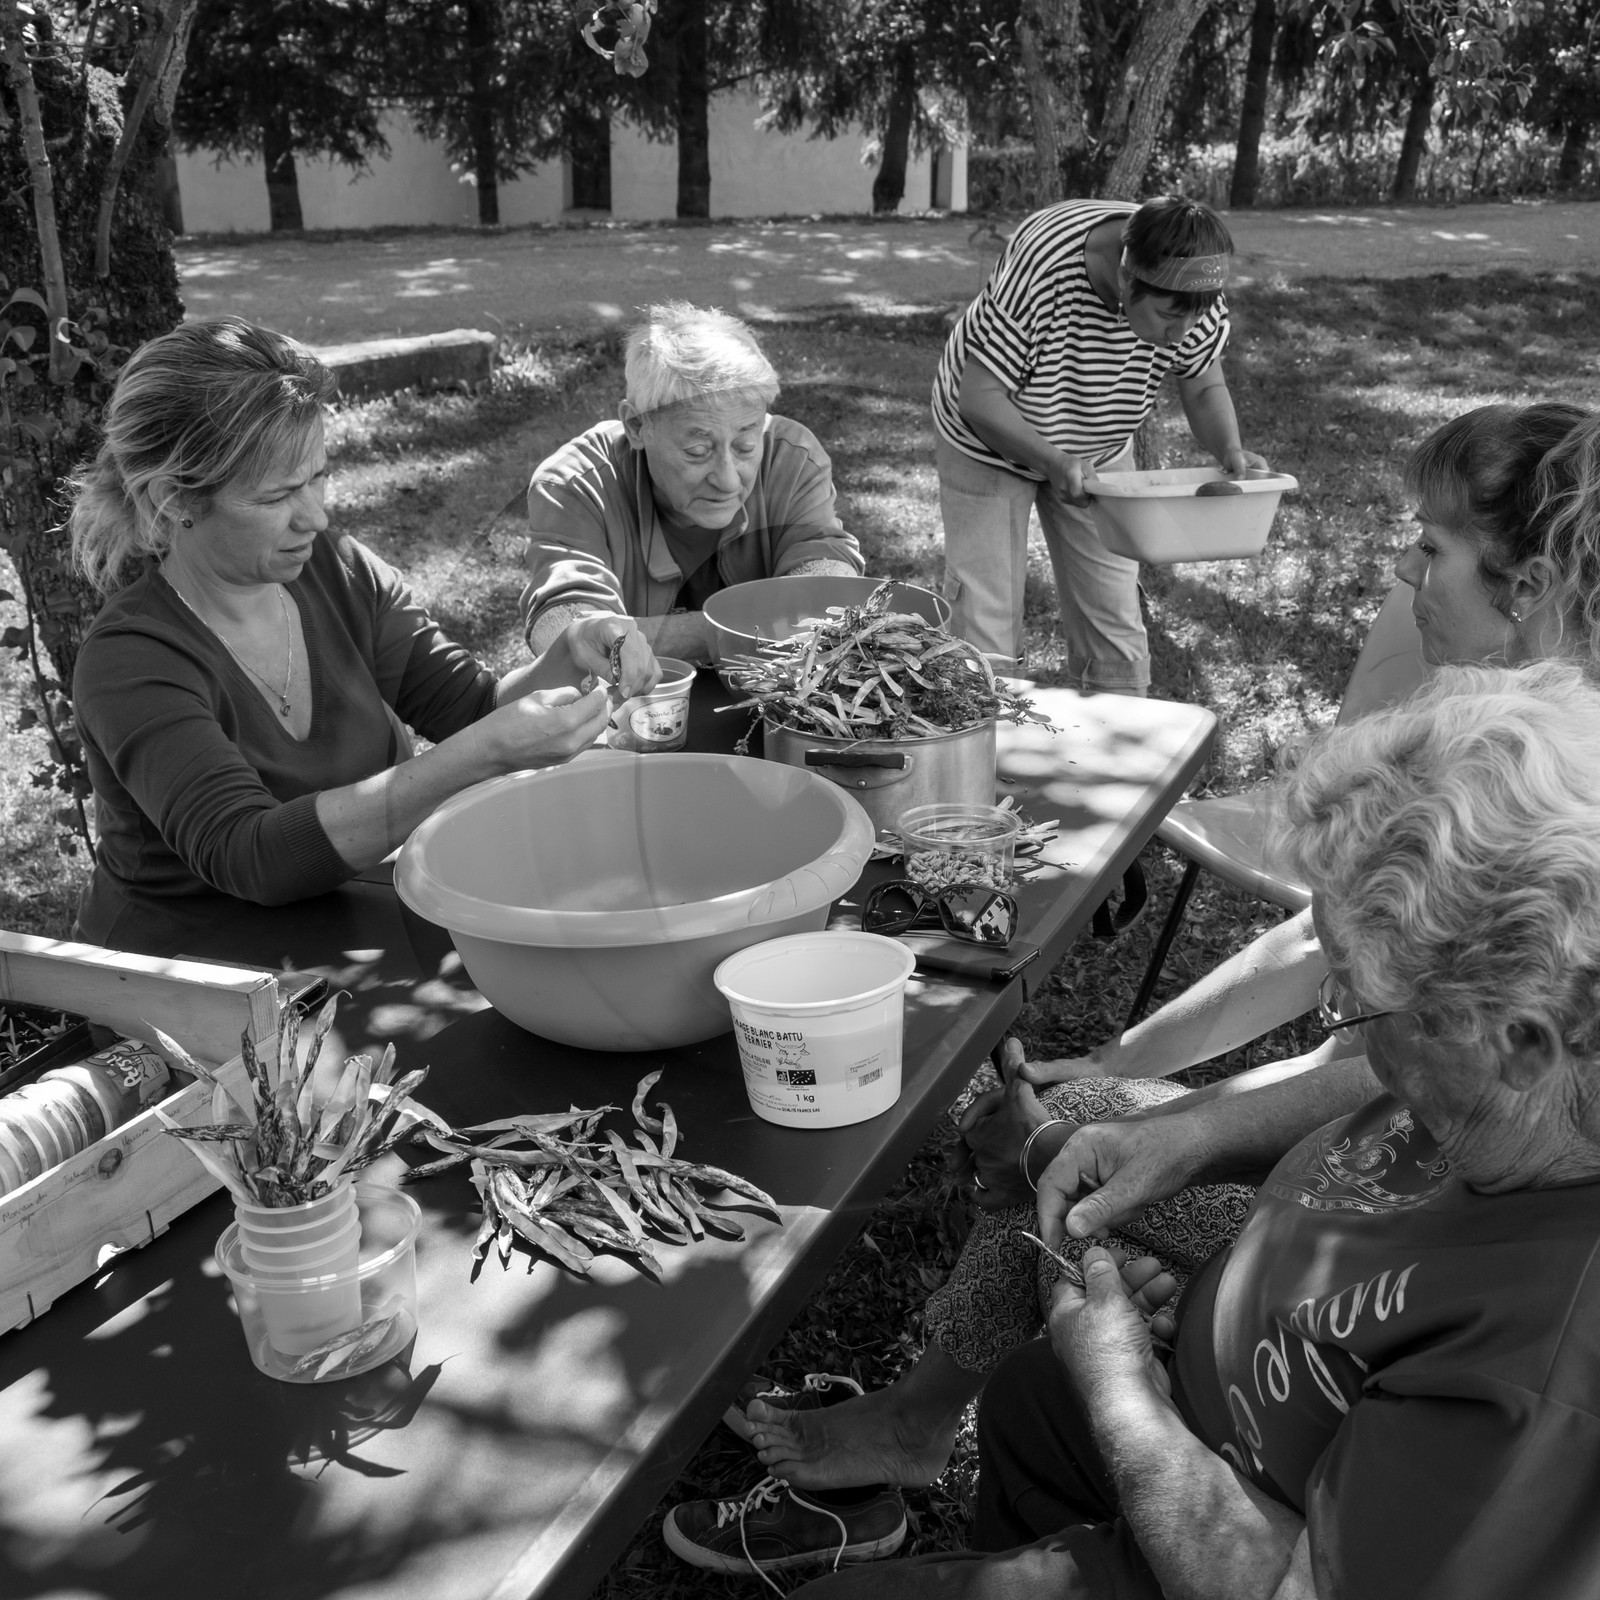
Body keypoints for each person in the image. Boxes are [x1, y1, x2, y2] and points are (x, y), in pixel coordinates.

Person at [668, 401, 1600, 1575]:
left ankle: (925, 1427)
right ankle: (988, 1443)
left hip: (1271, 1471)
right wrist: (1159, 1106)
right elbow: (1348, 996)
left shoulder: (1535, 1325)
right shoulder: (1502, 782)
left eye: (1430, 545)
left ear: (1527, 584)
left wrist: (1127, 1368)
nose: (1404, 570)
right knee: (1071, 1195)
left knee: (1071, 1159)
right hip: (1299, 1310)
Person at [784, 658, 1600, 1598]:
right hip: (1211, 1410)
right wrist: (1192, 1140)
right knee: (1028, 1400)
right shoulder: (1515, 1089)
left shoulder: (1544, 1379)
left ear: (1520, 1043)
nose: (1349, 1036)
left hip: (1223, 1555)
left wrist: (1123, 1394)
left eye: (1358, 1004)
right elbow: (1357, 1105)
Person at [69, 317, 657, 957]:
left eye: (318, 477)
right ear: (175, 499)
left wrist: (567, 655)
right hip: (189, 975)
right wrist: (483, 755)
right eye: (276, 497)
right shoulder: (131, 659)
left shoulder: (336, 571)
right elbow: (252, 855)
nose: (315, 516)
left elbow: (472, 708)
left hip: (344, 932)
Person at [932, 194, 1269, 686]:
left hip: (1098, 448)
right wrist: (1052, 460)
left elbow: (1203, 386)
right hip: (987, 440)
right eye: (1168, 319)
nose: (1181, 334)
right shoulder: (1047, 264)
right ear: (1128, 277)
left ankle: (1119, 728)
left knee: (1113, 612)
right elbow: (981, 398)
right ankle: (985, 725)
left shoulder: (1191, 284)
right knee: (987, 616)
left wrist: (1229, 448)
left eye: (1194, 320)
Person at [518, 301, 864, 667]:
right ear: (636, 426)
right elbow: (566, 633)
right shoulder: (574, 485)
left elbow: (830, 584)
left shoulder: (792, 458)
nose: (728, 479)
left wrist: (642, 636)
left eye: (746, 445)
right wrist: (748, 627)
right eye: (698, 451)